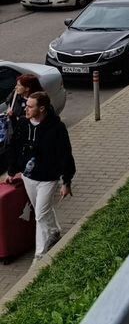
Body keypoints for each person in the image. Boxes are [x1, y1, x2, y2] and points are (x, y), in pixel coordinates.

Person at [5, 91, 76, 261]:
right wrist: (12, 171)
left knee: (40, 215)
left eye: (30, 106)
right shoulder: (23, 123)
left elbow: (65, 154)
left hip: (48, 178)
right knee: (41, 210)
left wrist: (66, 181)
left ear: (42, 108)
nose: (26, 109)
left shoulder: (57, 128)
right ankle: (54, 231)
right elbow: (15, 147)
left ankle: (40, 255)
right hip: (28, 177)